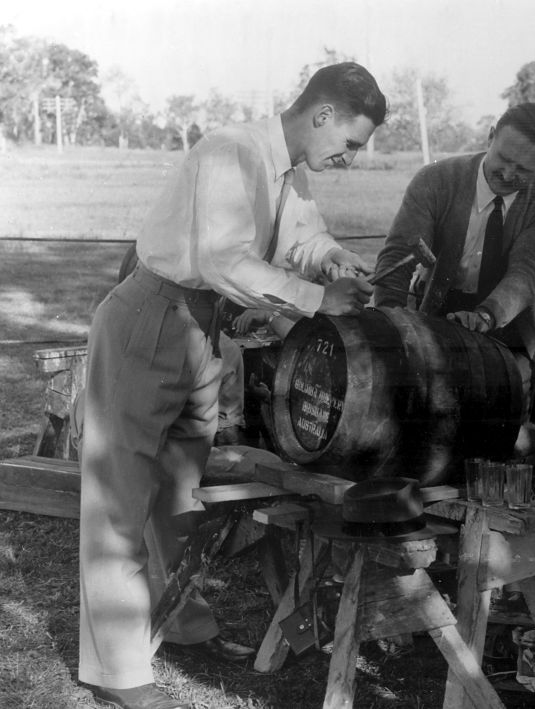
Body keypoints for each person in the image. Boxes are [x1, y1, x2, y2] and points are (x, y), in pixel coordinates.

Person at [78, 63, 386, 709]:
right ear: (323, 113)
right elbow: (223, 258)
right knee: (119, 503)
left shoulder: (287, 171)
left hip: (200, 330)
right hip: (151, 317)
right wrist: (314, 297)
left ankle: (176, 624)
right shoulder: (231, 151)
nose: (352, 158)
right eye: (352, 142)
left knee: (180, 498)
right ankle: (118, 673)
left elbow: (303, 234)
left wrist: (331, 258)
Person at [373, 102, 535, 421]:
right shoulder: (435, 180)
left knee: (505, 435)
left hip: (507, 328)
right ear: (491, 136)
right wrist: (391, 330)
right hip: (434, 320)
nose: (508, 174)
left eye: (524, 170)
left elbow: (526, 274)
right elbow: (399, 256)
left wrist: (487, 316)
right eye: (504, 159)